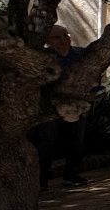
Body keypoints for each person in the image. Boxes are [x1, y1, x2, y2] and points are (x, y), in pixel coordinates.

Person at [32, 24, 90, 188]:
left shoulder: (82, 55)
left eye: (66, 35)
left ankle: (72, 174)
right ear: (48, 41)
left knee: (76, 141)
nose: (64, 39)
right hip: (50, 106)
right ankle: (41, 180)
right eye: (58, 37)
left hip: (75, 105)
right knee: (46, 142)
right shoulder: (43, 58)